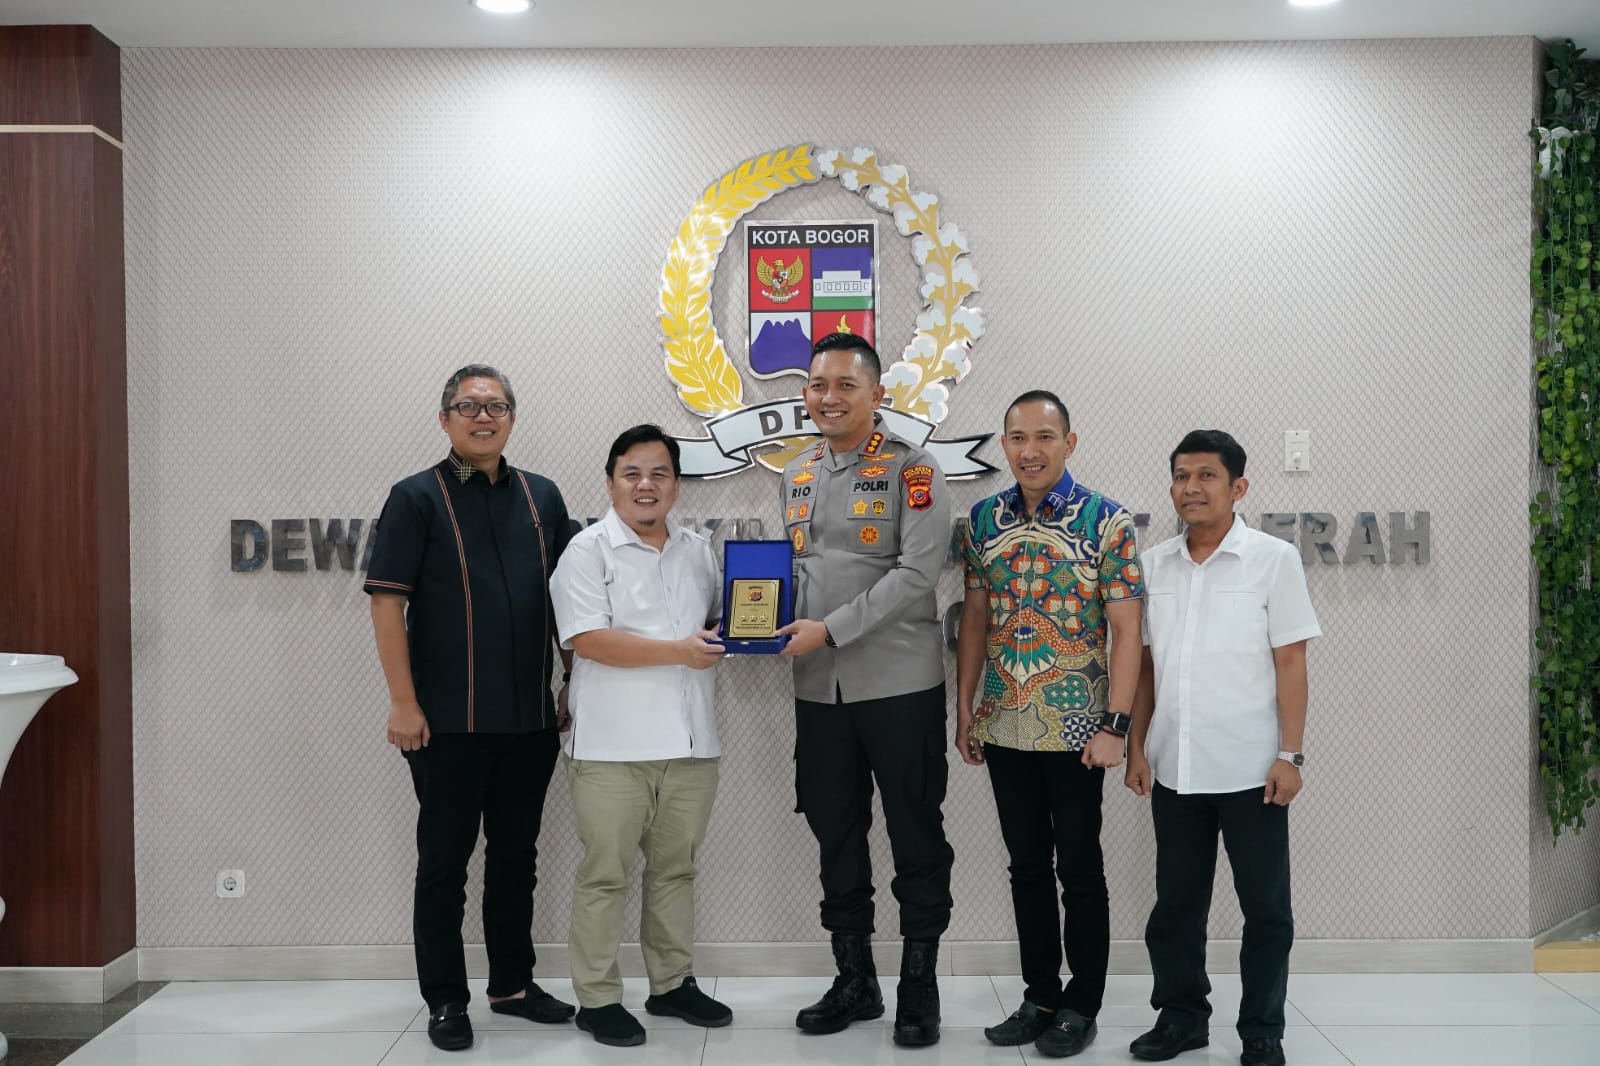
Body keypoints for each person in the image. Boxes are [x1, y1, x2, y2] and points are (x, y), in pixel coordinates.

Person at [365, 365, 576, 1053]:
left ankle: (512, 985)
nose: (483, 416)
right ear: (444, 418)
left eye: (496, 406)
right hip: (445, 722)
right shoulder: (415, 497)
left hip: (529, 720)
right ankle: (445, 999)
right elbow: (387, 604)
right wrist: (403, 703)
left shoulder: (542, 496)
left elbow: (570, 602)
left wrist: (571, 679)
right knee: (444, 864)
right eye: (468, 405)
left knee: (516, 858)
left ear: (512, 417)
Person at [774, 332, 955, 1047]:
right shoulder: (796, 472)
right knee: (836, 832)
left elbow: (916, 575)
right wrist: (748, 620)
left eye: (846, 385)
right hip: (819, 691)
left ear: (877, 395)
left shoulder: (915, 470)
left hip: (899, 686)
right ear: (806, 394)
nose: (830, 398)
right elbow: (795, 574)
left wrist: (829, 630)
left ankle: (919, 985)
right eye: (819, 385)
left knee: (915, 832)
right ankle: (855, 979)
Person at [956, 389, 1144, 1059]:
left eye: (1043, 437)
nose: (1029, 450)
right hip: (1004, 722)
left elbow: (1128, 632)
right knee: (1027, 867)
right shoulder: (982, 520)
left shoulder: (1107, 522)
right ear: (1005, 445)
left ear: (1069, 443)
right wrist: (965, 707)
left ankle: (1081, 1004)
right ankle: (1039, 996)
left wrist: (1116, 726)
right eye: (1017, 438)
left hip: (1078, 728)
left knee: (1080, 868)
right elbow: (975, 618)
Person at [1125, 430, 1320, 1066]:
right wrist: (1136, 748)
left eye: (1206, 476)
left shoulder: (1273, 559)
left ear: (1238, 487)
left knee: (1267, 911)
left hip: (1252, 769)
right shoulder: (1153, 565)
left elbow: (1291, 661)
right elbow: (1145, 667)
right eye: (1181, 476)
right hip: (1175, 767)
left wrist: (1291, 755)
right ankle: (1181, 1018)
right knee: (1176, 909)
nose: (1191, 488)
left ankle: (1262, 1030)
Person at [549, 424, 732, 1048]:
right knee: (605, 875)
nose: (645, 485)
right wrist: (680, 650)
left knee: (675, 871)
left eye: (659, 474)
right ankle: (597, 999)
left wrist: (752, 624)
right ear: (610, 483)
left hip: (691, 744)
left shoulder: (697, 550)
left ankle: (671, 984)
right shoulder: (586, 551)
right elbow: (588, 640)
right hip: (612, 748)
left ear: (676, 485)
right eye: (632, 473)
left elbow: (714, 624)